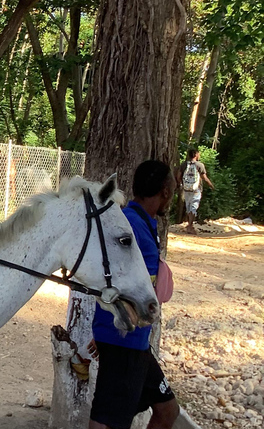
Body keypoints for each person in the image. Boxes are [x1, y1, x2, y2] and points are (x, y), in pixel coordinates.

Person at [88, 160, 179, 429]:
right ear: (165, 190)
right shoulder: (130, 226)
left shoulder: (142, 221)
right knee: (107, 423)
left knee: (167, 411)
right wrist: (109, 330)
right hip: (125, 340)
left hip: (135, 342)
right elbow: (105, 276)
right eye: (172, 188)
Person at [177, 149, 214, 234]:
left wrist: (181, 184)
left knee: (188, 206)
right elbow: (204, 177)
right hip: (196, 189)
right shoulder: (200, 165)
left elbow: (178, 175)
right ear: (196, 155)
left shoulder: (184, 164)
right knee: (194, 207)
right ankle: (190, 226)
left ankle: (189, 224)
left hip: (186, 188)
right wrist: (211, 185)